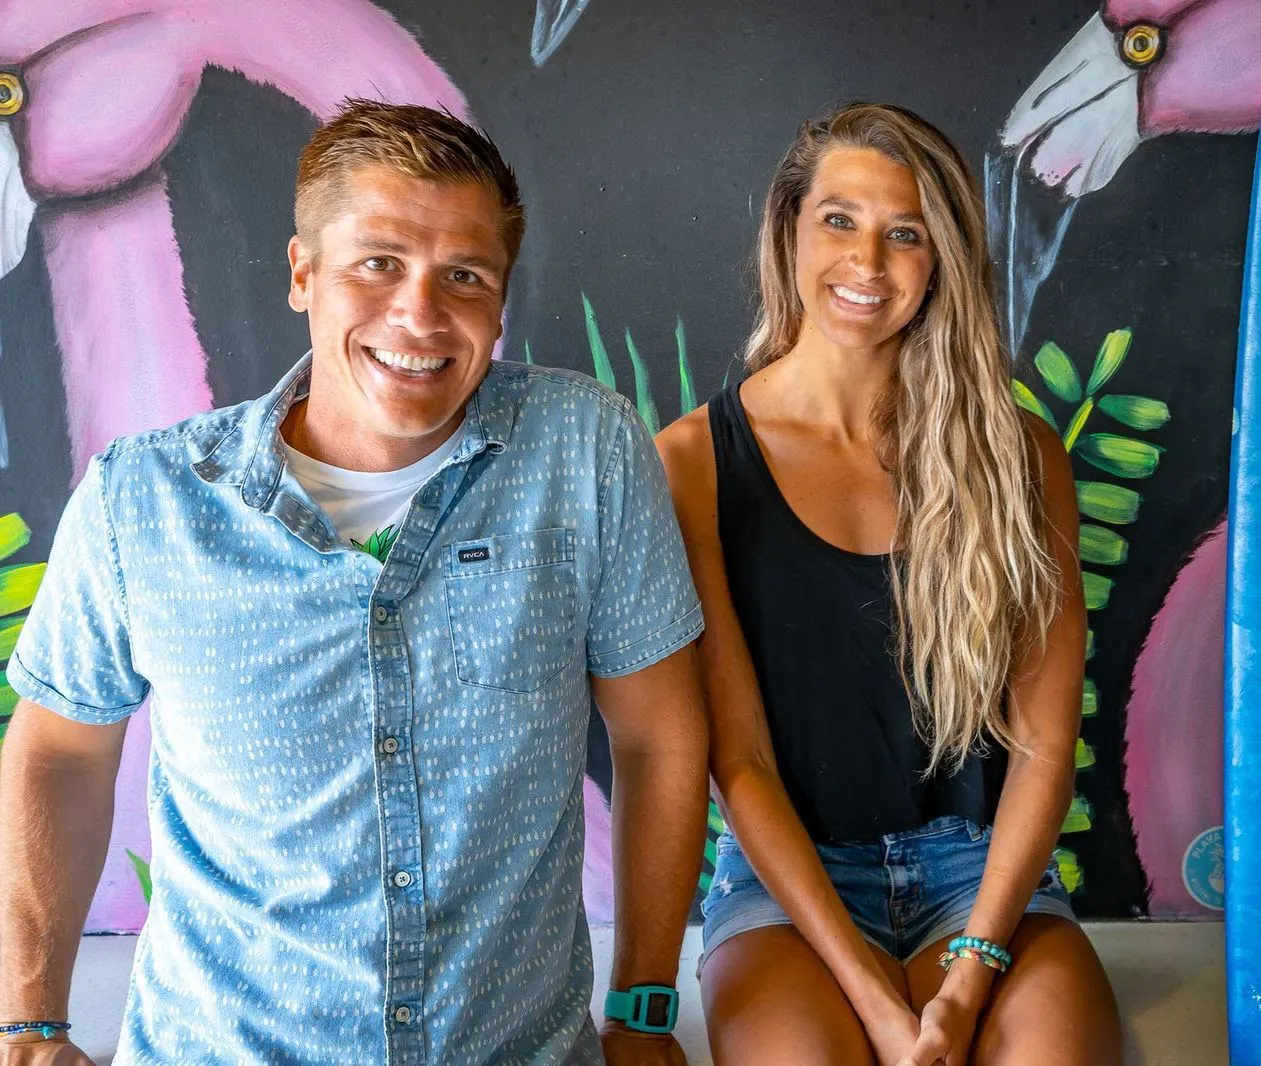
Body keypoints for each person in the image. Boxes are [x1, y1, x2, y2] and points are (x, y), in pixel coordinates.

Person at [0, 101, 707, 1066]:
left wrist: (646, 1009)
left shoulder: (584, 450)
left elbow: (657, 734)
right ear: (303, 273)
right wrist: (30, 1023)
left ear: (500, 302)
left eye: (464, 275)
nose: (419, 313)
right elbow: (59, 756)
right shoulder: (145, 499)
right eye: (378, 262)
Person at [657, 103, 1124, 1066]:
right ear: (789, 228)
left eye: (904, 234)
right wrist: (879, 1005)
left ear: (941, 257)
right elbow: (738, 760)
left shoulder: (1020, 453)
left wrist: (967, 982)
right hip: (788, 891)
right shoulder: (694, 464)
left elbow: (1041, 746)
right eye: (839, 220)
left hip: (984, 876)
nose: (867, 264)